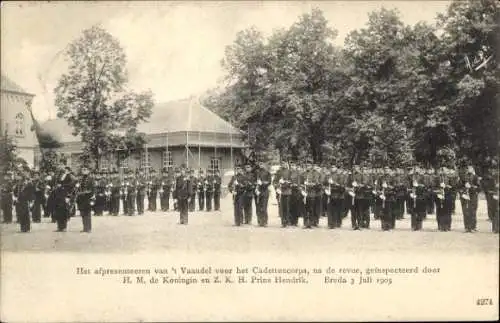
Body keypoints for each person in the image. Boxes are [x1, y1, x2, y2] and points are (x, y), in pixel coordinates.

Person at [53, 166, 75, 232]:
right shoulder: (59, 177)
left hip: (65, 195)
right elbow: (57, 184)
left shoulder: (70, 176)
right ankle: (59, 227)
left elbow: (72, 184)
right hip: (58, 196)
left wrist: (63, 186)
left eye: (65, 170)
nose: (63, 171)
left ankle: (64, 227)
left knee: (64, 211)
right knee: (58, 211)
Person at [459, 165, 480, 233]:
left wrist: (471, 187)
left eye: (471, 168)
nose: (469, 170)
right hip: (465, 196)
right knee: (465, 212)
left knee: (473, 212)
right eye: (468, 169)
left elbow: (479, 188)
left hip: (473, 196)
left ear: (473, 169)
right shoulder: (463, 177)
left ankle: (473, 227)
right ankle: (467, 227)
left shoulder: (475, 177)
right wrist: (463, 189)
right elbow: (459, 186)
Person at [13, 167, 35, 232]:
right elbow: (17, 190)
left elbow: (32, 192)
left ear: (28, 173)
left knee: (26, 213)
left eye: (25, 172)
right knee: (21, 213)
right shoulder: (20, 181)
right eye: (23, 172)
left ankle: (27, 228)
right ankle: (22, 227)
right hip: (20, 199)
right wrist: (16, 197)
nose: (24, 173)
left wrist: (31, 201)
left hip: (26, 199)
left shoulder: (30, 181)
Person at [75, 165, 95, 232]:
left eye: (85, 169)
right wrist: (77, 188)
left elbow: (93, 189)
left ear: (88, 171)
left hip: (87, 198)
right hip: (81, 198)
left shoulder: (91, 178)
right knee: (82, 213)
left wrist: (92, 195)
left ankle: (88, 228)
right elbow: (77, 188)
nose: (84, 171)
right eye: (83, 169)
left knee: (87, 213)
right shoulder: (80, 179)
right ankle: (85, 228)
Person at [482, 161, 499, 233]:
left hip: (497, 194)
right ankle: (495, 228)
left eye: (496, 170)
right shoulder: (489, 178)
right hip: (492, 195)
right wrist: (491, 191)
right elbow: (485, 187)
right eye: (493, 170)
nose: (495, 171)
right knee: (494, 210)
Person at [255, 161, 272, 227]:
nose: (261, 165)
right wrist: (256, 187)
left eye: (262, 164)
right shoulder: (257, 172)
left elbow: (269, 182)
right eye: (260, 164)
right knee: (258, 207)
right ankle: (260, 222)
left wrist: (262, 183)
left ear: (264, 164)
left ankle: (265, 222)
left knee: (264, 207)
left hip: (265, 191)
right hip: (258, 192)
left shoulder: (267, 172)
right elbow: (255, 181)